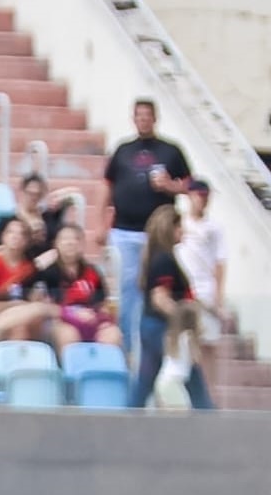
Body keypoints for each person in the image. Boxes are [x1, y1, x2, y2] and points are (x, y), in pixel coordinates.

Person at [104, 98, 191, 355]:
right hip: (124, 229)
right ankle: (128, 343)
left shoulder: (171, 151)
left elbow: (190, 185)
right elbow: (107, 184)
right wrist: (102, 222)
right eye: (138, 115)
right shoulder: (122, 150)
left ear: (155, 118)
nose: (143, 119)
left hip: (157, 233)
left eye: (147, 115)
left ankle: (152, 341)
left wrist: (170, 186)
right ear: (133, 118)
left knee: (155, 285)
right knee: (127, 286)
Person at [130, 205, 215, 409]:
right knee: (192, 374)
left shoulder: (156, 257)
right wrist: (182, 317)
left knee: (145, 380)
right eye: (179, 227)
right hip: (164, 327)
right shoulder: (164, 260)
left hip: (150, 325)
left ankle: (128, 417)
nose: (183, 232)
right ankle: (208, 418)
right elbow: (160, 298)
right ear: (170, 228)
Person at [0, 218, 53, 344]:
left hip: (19, 320)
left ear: (27, 240)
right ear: (3, 236)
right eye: (11, 232)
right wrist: (14, 306)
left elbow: (32, 305)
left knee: (30, 322)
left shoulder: (31, 270)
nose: (16, 237)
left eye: (21, 234)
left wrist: (21, 308)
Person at [38, 225, 122, 353]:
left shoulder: (93, 271)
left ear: (82, 244)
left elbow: (103, 303)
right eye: (65, 239)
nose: (70, 243)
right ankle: (70, 371)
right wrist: (72, 315)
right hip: (62, 320)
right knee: (69, 336)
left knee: (113, 335)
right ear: (56, 244)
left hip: (92, 318)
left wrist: (101, 318)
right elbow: (48, 306)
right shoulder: (49, 273)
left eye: (75, 239)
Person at [176, 179, 233, 338]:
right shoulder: (179, 222)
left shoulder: (214, 227)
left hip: (205, 288)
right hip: (183, 286)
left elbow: (220, 261)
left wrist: (219, 297)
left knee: (206, 337)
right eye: (200, 195)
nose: (203, 200)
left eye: (206, 196)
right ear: (190, 196)